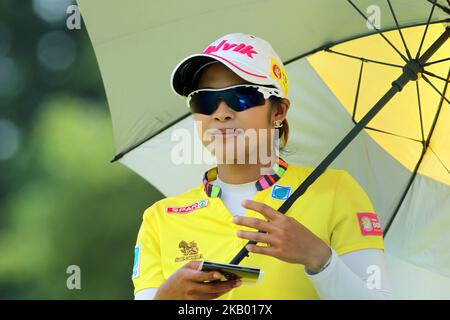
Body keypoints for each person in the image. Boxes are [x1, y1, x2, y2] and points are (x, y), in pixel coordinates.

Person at [132, 33, 392, 300]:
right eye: (205, 100)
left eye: (241, 97)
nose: (221, 113)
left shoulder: (335, 191)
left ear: (278, 111)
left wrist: (318, 257)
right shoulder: (160, 218)